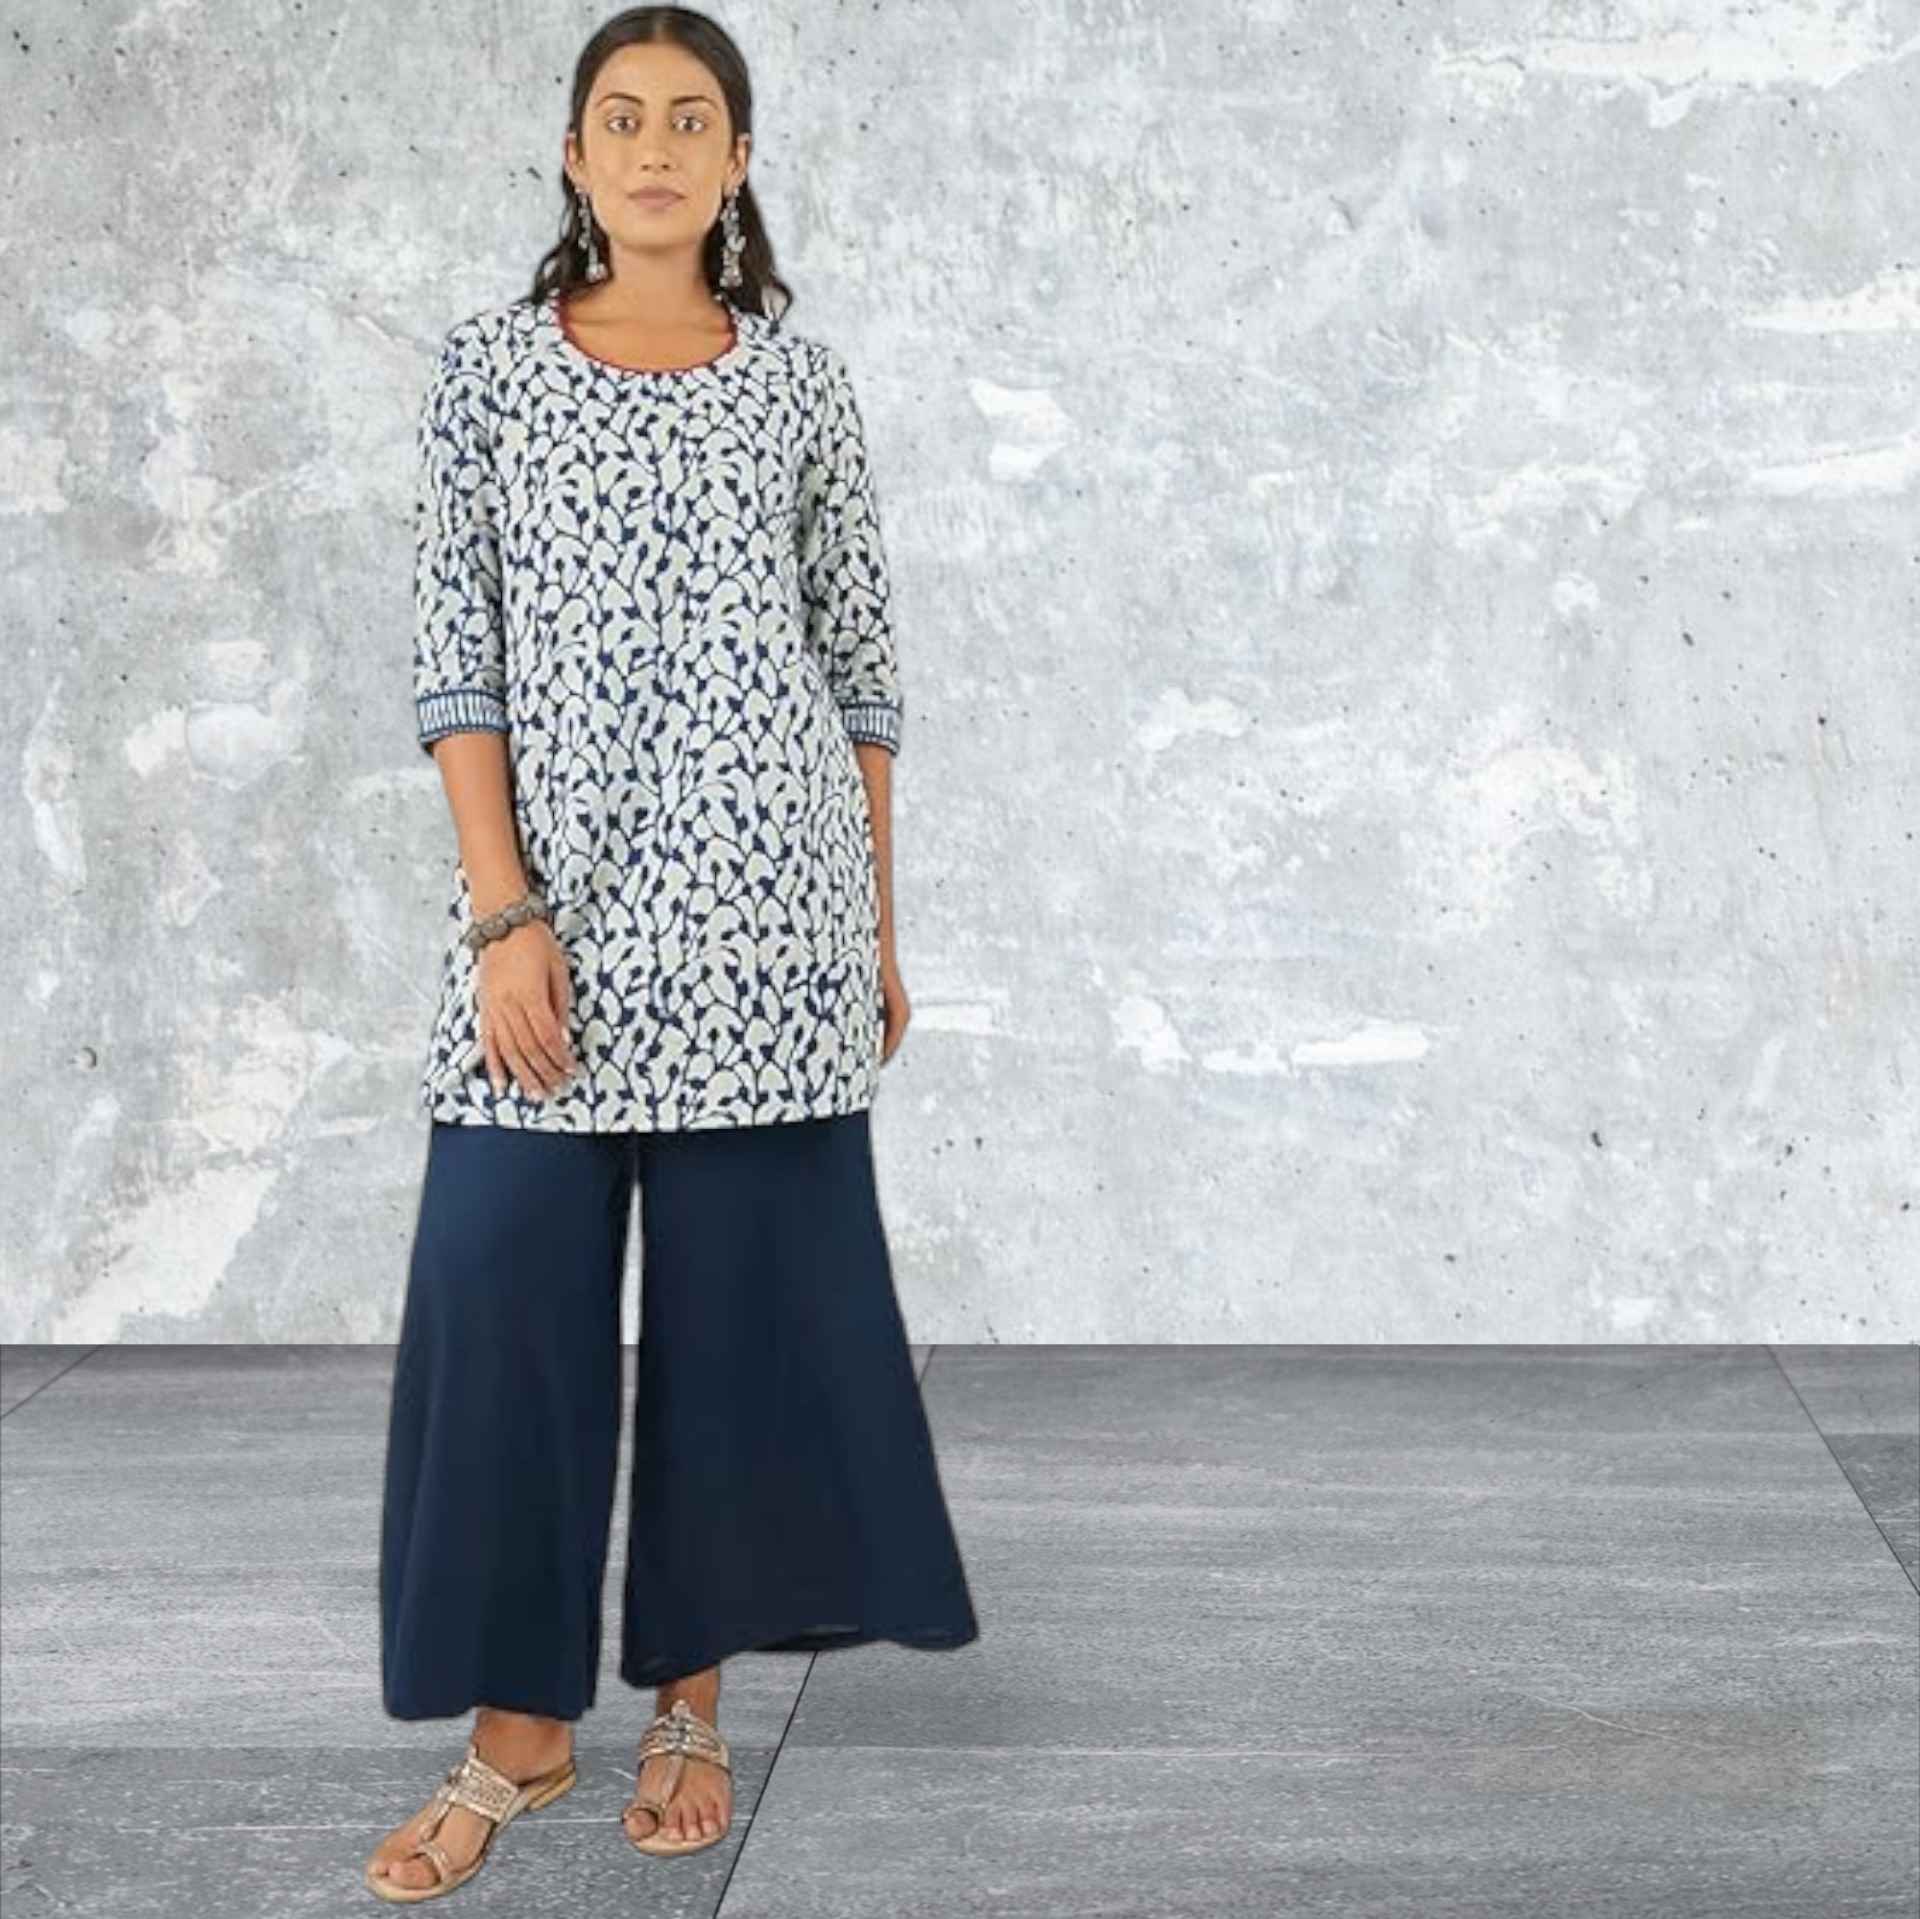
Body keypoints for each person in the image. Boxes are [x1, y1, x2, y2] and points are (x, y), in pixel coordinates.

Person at [366, 9, 979, 1900]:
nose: (652, 148)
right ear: (573, 154)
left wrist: (874, 929)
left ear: (736, 162)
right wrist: (503, 915)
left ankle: (690, 1705)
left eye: (688, 120)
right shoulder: (485, 372)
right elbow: (455, 656)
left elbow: (860, 671)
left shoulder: (801, 385)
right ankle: (517, 1735)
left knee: (733, 1334)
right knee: (501, 1299)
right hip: (553, 924)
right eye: (620, 118)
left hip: (769, 928)